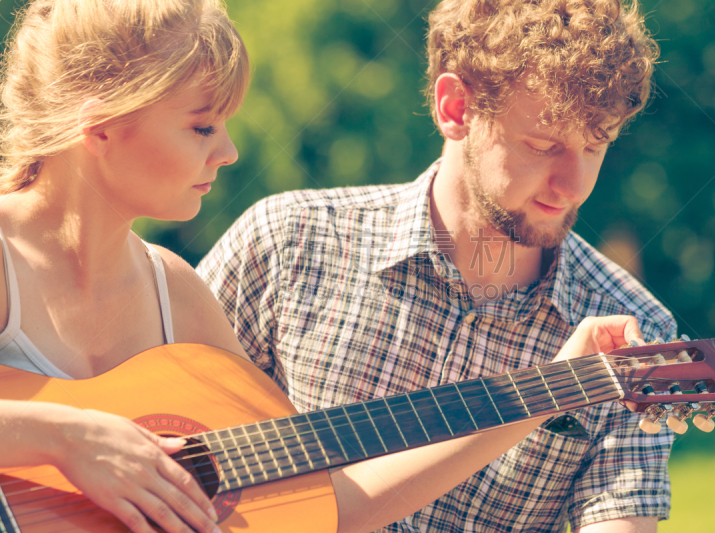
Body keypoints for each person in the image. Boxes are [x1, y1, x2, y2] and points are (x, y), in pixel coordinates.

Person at [0, 1, 649, 533]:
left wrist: (552, 388)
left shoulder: (178, 294)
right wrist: (65, 436)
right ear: (102, 125)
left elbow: (325, 500)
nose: (228, 152)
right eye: (202, 127)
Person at [198, 0, 677, 532]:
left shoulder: (632, 332)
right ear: (455, 108)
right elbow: (153, 438)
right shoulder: (287, 243)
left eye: (596, 145)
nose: (573, 186)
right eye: (544, 145)